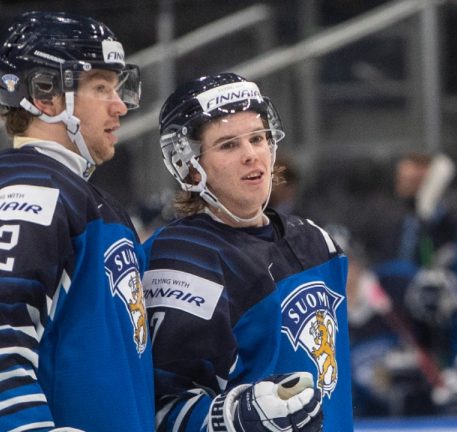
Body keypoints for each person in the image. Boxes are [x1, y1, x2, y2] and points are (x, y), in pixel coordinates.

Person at [0, 11, 153, 432]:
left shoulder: (84, 198)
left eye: (117, 87)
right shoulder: (26, 189)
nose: (120, 105)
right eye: (100, 87)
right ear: (46, 95)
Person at [142, 72, 351, 431]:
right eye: (228, 145)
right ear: (189, 167)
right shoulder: (180, 261)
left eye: (258, 138)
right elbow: (159, 409)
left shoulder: (317, 243)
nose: (252, 155)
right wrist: (234, 416)